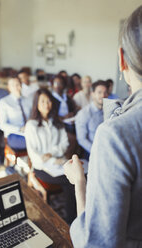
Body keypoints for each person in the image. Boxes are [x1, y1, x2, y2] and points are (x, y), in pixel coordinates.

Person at [64, 6, 142, 248]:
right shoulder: (94, 115)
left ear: (122, 59)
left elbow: (97, 243)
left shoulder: (116, 135)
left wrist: (80, 183)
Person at [25, 88, 76, 224]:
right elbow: (34, 155)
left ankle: (75, 216)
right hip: (41, 168)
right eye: (42, 101)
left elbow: (64, 143)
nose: (46, 104)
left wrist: (51, 153)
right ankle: (72, 221)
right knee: (72, 181)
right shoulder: (31, 125)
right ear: (36, 104)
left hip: (59, 162)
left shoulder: (56, 121)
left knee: (77, 177)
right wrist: (53, 159)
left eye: (48, 101)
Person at [75, 80, 108, 160]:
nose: (103, 95)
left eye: (105, 92)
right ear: (92, 94)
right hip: (92, 152)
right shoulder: (84, 114)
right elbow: (81, 139)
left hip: (107, 149)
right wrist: (97, 152)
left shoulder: (109, 111)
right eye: (99, 92)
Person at [0, 77, 32, 150]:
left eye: (18, 84)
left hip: (30, 131)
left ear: (21, 85)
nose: (16, 87)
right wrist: (20, 129)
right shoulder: (4, 102)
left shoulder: (28, 100)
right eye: (13, 85)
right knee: (34, 142)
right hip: (14, 134)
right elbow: (2, 125)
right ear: (9, 87)